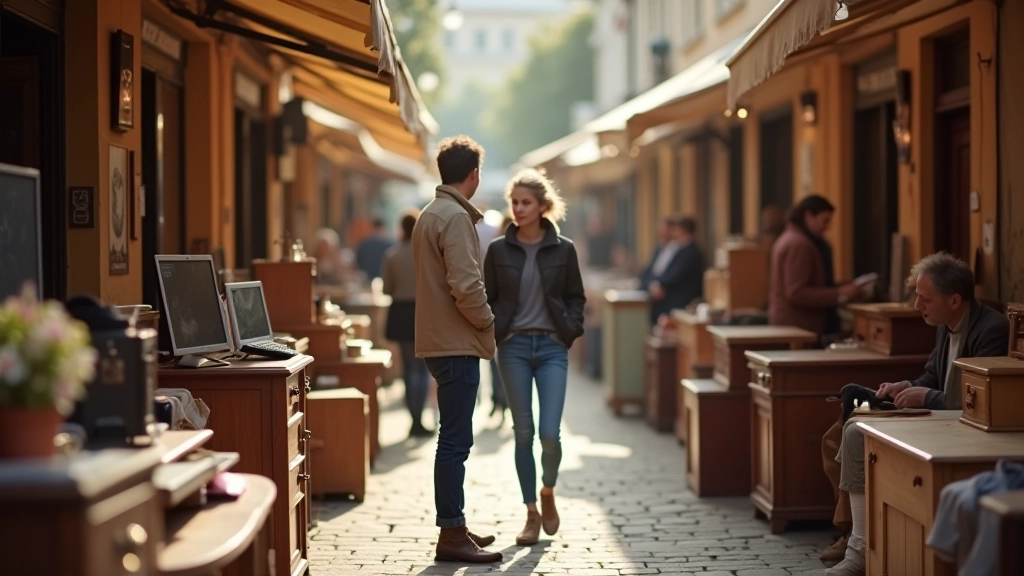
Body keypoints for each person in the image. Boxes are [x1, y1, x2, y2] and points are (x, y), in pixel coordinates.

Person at [825, 253, 1009, 576]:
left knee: (856, 432)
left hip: (966, 429)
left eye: (925, 299)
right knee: (854, 427)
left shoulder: (991, 330)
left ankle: (859, 548)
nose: (915, 306)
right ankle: (858, 544)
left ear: (954, 300)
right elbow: (931, 378)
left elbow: (978, 402)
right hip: (939, 415)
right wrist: (905, 386)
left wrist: (926, 395)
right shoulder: (945, 324)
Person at [483, 169, 586, 546]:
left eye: (526, 203)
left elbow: (576, 296)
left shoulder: (564, 249)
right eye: (515, 202)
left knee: (549, 434)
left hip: (551, 348)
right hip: (512, 348)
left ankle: (548, 491)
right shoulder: (497, 250)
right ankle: (530, 512)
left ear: (543, 206)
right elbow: (487, 298)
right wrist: (497, 332)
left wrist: (569, 330)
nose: (519, 209)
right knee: (522, 432)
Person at [412, 135, 501, 564]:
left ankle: (457, 526)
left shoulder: (431, 213)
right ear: (474, 175)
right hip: (456, 343)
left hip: (438, 341)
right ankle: (451, 534)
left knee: (452, 440)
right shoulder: (455, 218)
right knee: (454, 443)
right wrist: (488, 321)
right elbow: (466, 286)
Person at [768, 195, 862, 343]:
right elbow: (796, 292)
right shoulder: (799, 245)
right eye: (825, 221)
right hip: (799, 328)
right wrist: (839, 293)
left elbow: (810, 283)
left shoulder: (793, 238)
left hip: (796, 327)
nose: (827, 227)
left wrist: (841, 286)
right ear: (808, 216)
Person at [382, 209, 432, 439]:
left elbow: (386, 289)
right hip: (424, 311)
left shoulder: (392, 255)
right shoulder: (426, 254)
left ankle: (413, 418)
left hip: (401, 312)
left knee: (407, 367)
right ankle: (418, 419)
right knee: (421, 370)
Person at [641, 216, 704, 325]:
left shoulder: (691, 252)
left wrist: (660, 284)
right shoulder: (680, 249)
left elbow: (677, 274)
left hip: (682, 298)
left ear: (682, 230)